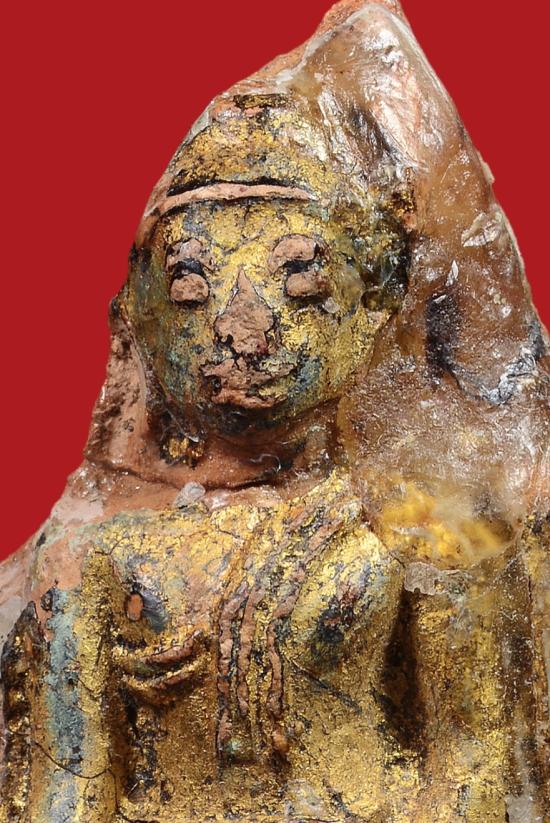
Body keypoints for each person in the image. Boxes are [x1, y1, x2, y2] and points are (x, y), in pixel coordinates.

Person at [1, 2, 548, 821]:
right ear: (142, 320)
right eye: (191, 287)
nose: (242, 328)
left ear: (372, 303)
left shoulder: (423, 525)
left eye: (301, 281)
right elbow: (63, 794)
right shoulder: (91, 554)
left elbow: (477, 767)